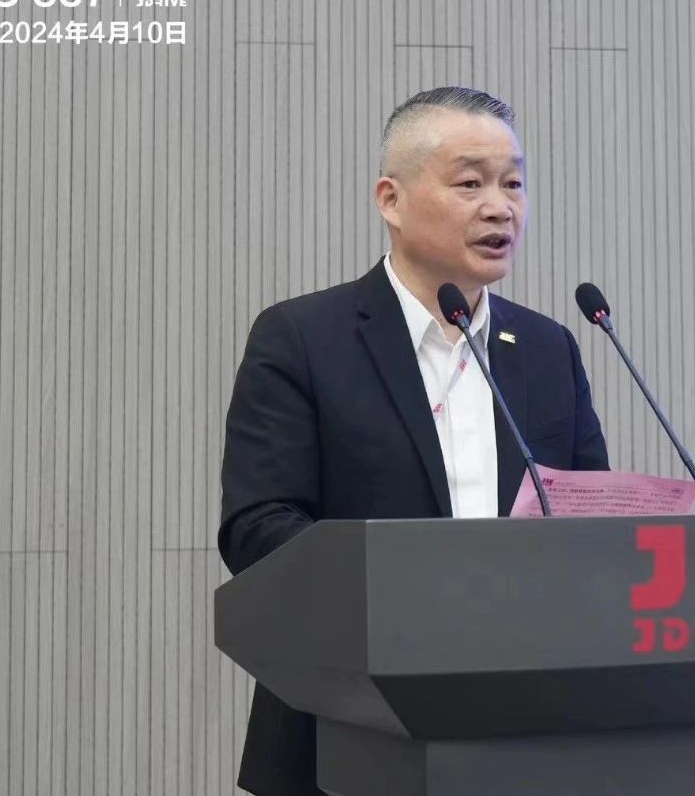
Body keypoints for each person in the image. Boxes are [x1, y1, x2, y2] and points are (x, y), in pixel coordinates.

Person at [218, 86, 610, 796]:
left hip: (529, 732)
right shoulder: (303, 339)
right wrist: (417, 596)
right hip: (347, 729)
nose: (501, 207)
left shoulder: (549, 348)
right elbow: (258, 527)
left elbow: (588, 519)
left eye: (514, 183)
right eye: (470, 183)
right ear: (391, 200)